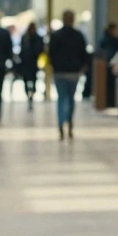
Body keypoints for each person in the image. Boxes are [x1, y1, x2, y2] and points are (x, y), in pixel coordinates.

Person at [47, 10, 89, 140]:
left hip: (60, 71)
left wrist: (54, 66)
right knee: (71, 98)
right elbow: (84, 53)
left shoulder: (56, 36)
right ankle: (69, 121)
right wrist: (81, 67)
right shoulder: (78, 36)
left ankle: (61, 123)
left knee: (61, 98)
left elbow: (51, 53)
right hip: (73, 72)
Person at [17, 22, 45, 109]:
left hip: (33, 63)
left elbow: (40, 50)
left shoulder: (37, 38)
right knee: (26, 80)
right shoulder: (25, 38)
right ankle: (29, 94)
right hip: (26, 63)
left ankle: (31, 94)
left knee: (33, 80)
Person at [97, 22, 118, 107]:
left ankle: (112, 102)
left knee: (112, 85)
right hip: (104, 65)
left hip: (113, 64)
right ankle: (107, 102)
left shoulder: (116, 41)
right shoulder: (105, 41)